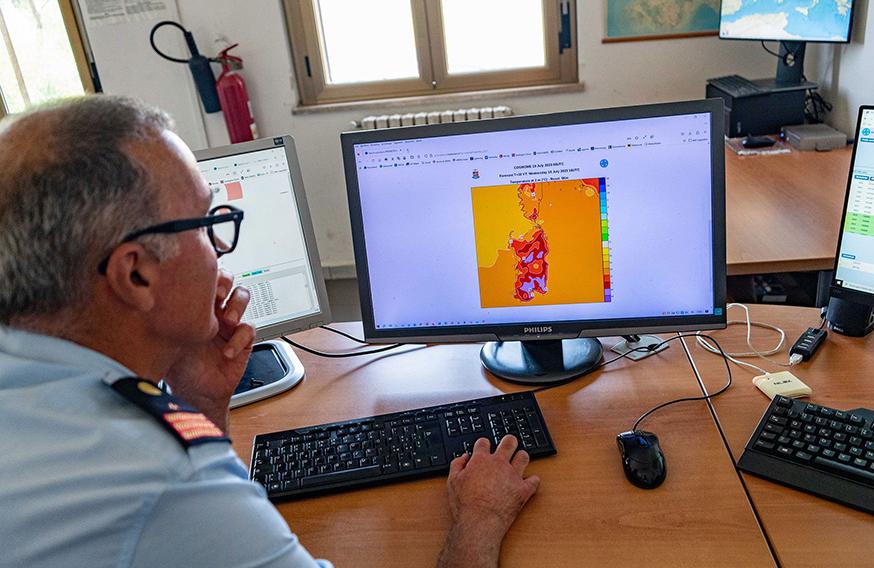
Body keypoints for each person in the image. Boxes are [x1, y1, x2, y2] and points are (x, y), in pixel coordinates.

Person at [0, 95, 540, 568]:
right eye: (208, 226)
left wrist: (201, 405)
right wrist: (480, 517)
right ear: (136, 273)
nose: (220, 255)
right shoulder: (158, 481)